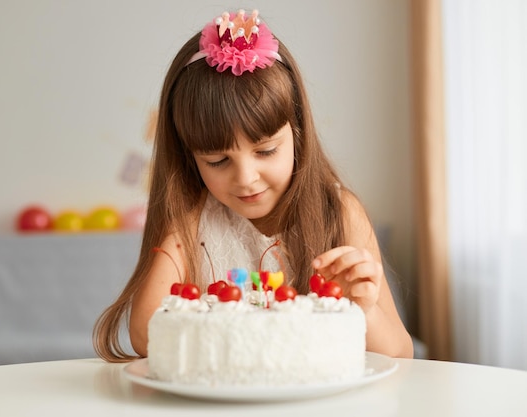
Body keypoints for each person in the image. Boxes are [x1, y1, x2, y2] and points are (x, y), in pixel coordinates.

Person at [94, 9, 414, 362]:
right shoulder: (193, 221)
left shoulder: (337, 212)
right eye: (217, 161)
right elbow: (145, 336)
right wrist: (179, 230)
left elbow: (400, 353)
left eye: (266, 151)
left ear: (298, 135)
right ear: (190, 158)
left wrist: (364, 310)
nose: (246, 178)